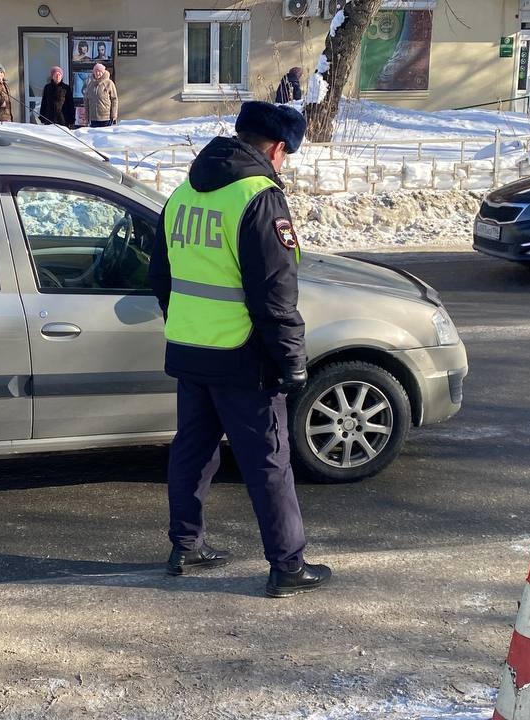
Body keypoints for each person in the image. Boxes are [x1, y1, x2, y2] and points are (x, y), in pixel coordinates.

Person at [147, 101, 331, 599]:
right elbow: (275, 295)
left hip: (191, 347)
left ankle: (185, 546)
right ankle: (287, 564)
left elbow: (160, 277)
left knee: (193, 448)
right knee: (268, 458)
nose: (284, 163)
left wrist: (187, 323)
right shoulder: (259, 197)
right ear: (275, 148)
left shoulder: (183, 193)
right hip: (242, 353)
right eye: (286, 154)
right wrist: (292, 360)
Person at [82, 63, 117, 128]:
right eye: (96, 71)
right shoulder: (90, 84)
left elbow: (114, 99)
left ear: (103, 72)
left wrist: (114, 113)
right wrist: (86, 117)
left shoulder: (109, 83)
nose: (98, 73)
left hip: (106, 117)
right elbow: (86, 101)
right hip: (93, 118)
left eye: (100, 72)